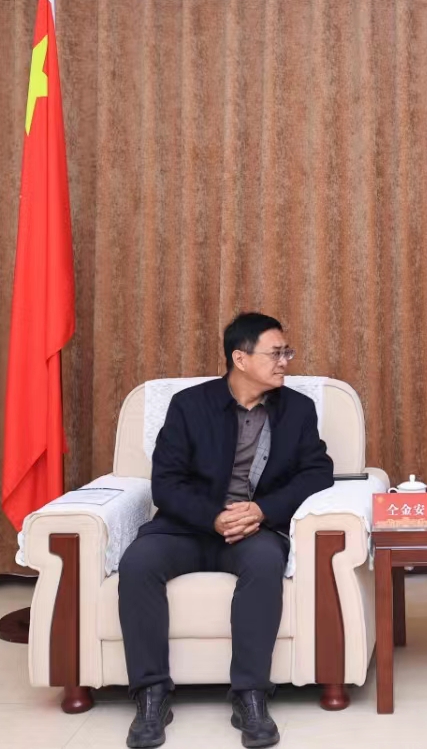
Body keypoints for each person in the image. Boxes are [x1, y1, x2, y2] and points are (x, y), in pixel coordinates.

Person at [117, 313, 334, 748]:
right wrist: (214, 517)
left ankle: (251, 695)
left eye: (287, 353)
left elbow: (318, 472)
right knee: (138, 562)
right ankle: (151, 693)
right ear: (240, 358)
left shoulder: (297, 410)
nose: (285, 362)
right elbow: (166, 483)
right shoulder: (189, 406)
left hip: (255, 530)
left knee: (266, 562)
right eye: (276, 353)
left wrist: (263, 510)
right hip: (187, 528)